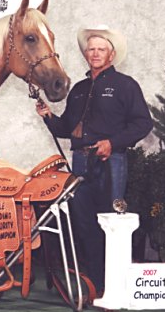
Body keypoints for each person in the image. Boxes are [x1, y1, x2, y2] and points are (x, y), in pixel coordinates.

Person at [36, 25, 153, 295]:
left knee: (110, 222)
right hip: (80, 163)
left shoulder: (125, 85)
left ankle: (115, 284)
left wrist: (113, 143)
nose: (96, 53)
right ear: (85, 54)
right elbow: (66, 128)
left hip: (111, 162)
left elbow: (143, 123)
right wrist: (48, 116)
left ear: (111, 55)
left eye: (101, 49)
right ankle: (95, 284)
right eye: (91, 49)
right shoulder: (78, 89)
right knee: (84, 222)